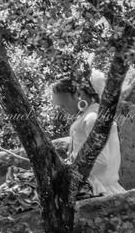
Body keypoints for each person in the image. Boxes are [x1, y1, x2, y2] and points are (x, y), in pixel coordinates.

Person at [52, 68, 126, 196]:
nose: (61, 108)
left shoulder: (91, 118)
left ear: (78, 94)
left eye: (63, 103)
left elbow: (101, 161)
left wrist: (70, 172)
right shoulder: (91, 115)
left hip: (98, 190)